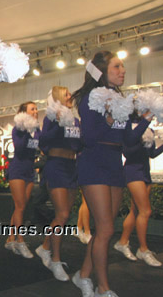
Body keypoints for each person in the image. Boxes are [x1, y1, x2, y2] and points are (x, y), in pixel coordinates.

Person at [71, 51, 151, 297]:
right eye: (117, 67)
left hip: (115, 163)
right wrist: (107, 116)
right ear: (102, 72)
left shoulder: (120, 99)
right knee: (105, 230)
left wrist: (147, 119)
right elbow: (90, 139)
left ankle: (83, 275)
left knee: (106, 230)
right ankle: (103, 287)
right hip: (93, 164)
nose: (123, 70)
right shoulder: (89, 99)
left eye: (123, 66)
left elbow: (128, 141)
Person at [35, 86, 81, 281]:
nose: (70, 96)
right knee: (61, 214)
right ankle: (55, 260)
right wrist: (59, 122)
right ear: (57, 98)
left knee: (65, 214)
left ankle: (45, 247)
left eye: (70, 94)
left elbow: (79, 145)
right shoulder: (51, 118)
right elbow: (44, 142)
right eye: (66, 94)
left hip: (73, 166)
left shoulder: (77, 120)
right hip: (56, 166)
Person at [113, 113, 163, 267]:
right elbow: (128, 152)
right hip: (132, 171)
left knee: (136, 211)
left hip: (145, 171)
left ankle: (122, 242)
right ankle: (143, 249)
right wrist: (140, 136)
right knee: (145, 211)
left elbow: (152, 154)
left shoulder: (150, 130)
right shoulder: (129, 128)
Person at [5, 101, 40, 258]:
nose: (36, 111)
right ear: (24, 113)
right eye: (32, 109)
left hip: (29, 171)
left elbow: (39, 148)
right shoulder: (18, 129)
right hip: (17, 170)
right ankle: (20, 240)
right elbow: (19, 148)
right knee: (19, 206)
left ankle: (10, 238)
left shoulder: (37, 129)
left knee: (22, 206)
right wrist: (26, 130)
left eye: (36, 109)